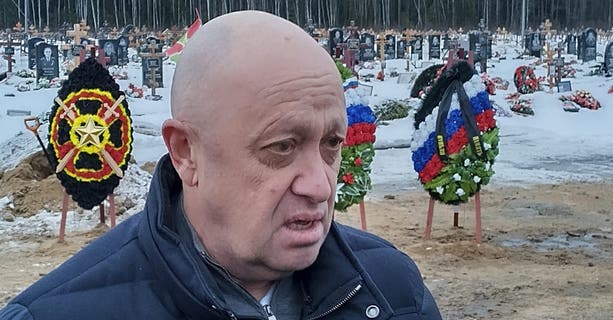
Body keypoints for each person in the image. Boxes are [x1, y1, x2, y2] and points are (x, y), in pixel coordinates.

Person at [0, 11, 442, 320]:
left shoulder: (393, 292)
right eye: (282, 146)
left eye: (331, 144)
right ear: (186, 152)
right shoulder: (58, 312)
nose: (320, 186)